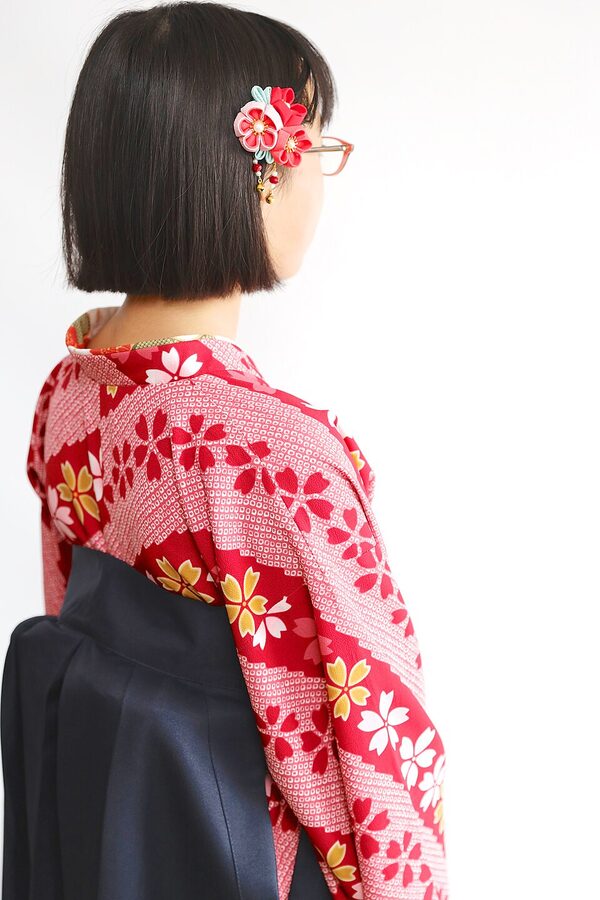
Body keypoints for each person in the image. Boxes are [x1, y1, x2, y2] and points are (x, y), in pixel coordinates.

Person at [2, 3, 450, 899]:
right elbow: (377, 749)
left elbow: (72, 605)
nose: (323, 178)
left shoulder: (71, 398)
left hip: (113, 850)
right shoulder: (273, 460)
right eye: (318, 148)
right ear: (259, 174)